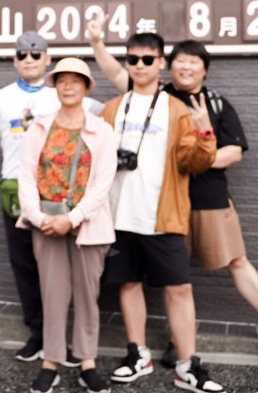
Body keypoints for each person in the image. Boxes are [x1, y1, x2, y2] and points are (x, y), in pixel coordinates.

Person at [86, 22, 258, 360]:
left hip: (207, 200)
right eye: (181, 60)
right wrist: (96, 42)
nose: (186, 66)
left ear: (205, 70)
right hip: (158, 204)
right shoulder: (155, 94)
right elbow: (115, 70)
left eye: (194, 62)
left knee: (234, 261)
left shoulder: (215, 104)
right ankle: (176, 342)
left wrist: (191, 156)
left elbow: (234, 151)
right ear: (169, 64)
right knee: (173, 277)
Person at [86, 28, 222, 392]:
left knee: (179, 289)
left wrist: (205, 133)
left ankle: (187, 366)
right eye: (133, 59)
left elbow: (193, 163)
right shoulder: (113, 108)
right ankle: (138, 355)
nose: (140, 65)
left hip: (163, 217)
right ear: (127, 62)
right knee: (129, 284)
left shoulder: (177, 110)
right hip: (119, 216)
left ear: (161, 63)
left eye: (148, 59)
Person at [0, 31, 101, 363]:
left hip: (58, 197)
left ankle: (63, 340)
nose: (29, 59)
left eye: (36, 53)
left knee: (64, 272)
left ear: (47, 59)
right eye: (22, 54)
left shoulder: (61, 93)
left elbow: (103, 114)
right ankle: (38, 333)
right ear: (14, 59)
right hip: (15, 191)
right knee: (25, 266)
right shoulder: (1, 98)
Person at [17, 58, 116, 393]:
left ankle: (87, 362)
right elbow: (26, 176)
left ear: (87, 87)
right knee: (53, 294)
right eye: (63, 80)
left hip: (88, 227)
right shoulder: (39, 127)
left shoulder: (102, 130)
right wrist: (40, 217)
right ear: (55, 86)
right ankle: (51, 362)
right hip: (44, 224)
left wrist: (71, 219)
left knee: (89, 296)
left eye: (77, 80)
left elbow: (103, 184)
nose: (69, 86)